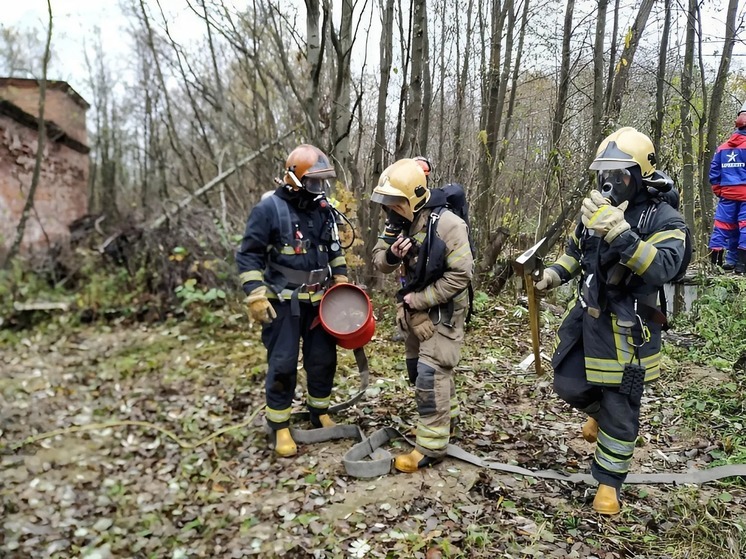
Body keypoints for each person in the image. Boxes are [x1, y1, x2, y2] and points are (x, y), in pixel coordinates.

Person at [535, 128, 688, 514]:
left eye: (620, 174)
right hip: (588, 318)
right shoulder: (594, 209)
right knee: (567, 382)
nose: (610, 182)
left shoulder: (664, 217)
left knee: (621, 408)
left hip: (629, 328)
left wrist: (621, 233)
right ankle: (598, 418)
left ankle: (608, 485)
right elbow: (576, 253)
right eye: (605, 173)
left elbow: (664, 268)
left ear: (640, 175)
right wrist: (552, 275)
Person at [236, 144, 348, 457]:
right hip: (282, 302)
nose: (319, 187)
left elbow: (335, 249)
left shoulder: (324, 208)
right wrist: (255, 294)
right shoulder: (269, 209)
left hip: (320, 301)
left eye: (323, 181)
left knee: (323, 360)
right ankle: (280, 425)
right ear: (294, 178)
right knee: (283, 363)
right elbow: (248, 255)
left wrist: (340, 279)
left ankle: (318, 411)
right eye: (314, 181)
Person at [370, 158, 473, 473]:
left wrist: (421, 299)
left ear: (410, 199)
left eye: (394, 202)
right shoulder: (397, 223)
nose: (389, 209)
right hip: (413, 310)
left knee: (431, 374)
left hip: (443, 309)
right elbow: (378, 260)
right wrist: (392, 254)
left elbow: (461, 275)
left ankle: (431, 447)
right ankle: (445, 421)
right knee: (418, 371)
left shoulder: (448, 225)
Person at [708, 101, 746, 274]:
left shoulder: (722, 148)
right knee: (744, 227)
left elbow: (714, 172)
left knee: (723, 226)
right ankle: (742, 266)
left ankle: (718, 265)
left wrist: (719, 190)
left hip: (727, 194)